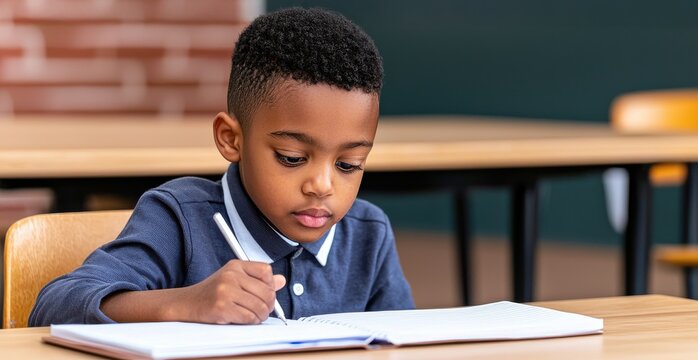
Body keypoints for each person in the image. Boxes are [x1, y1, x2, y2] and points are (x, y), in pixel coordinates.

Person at [30, 7, 414, 326]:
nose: (322, 185)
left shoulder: (367, 234)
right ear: (232, 139)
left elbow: (403, 341)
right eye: (292, 158)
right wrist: (184, 304)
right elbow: (53, 307)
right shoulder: (179, 218)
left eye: (349, 165)